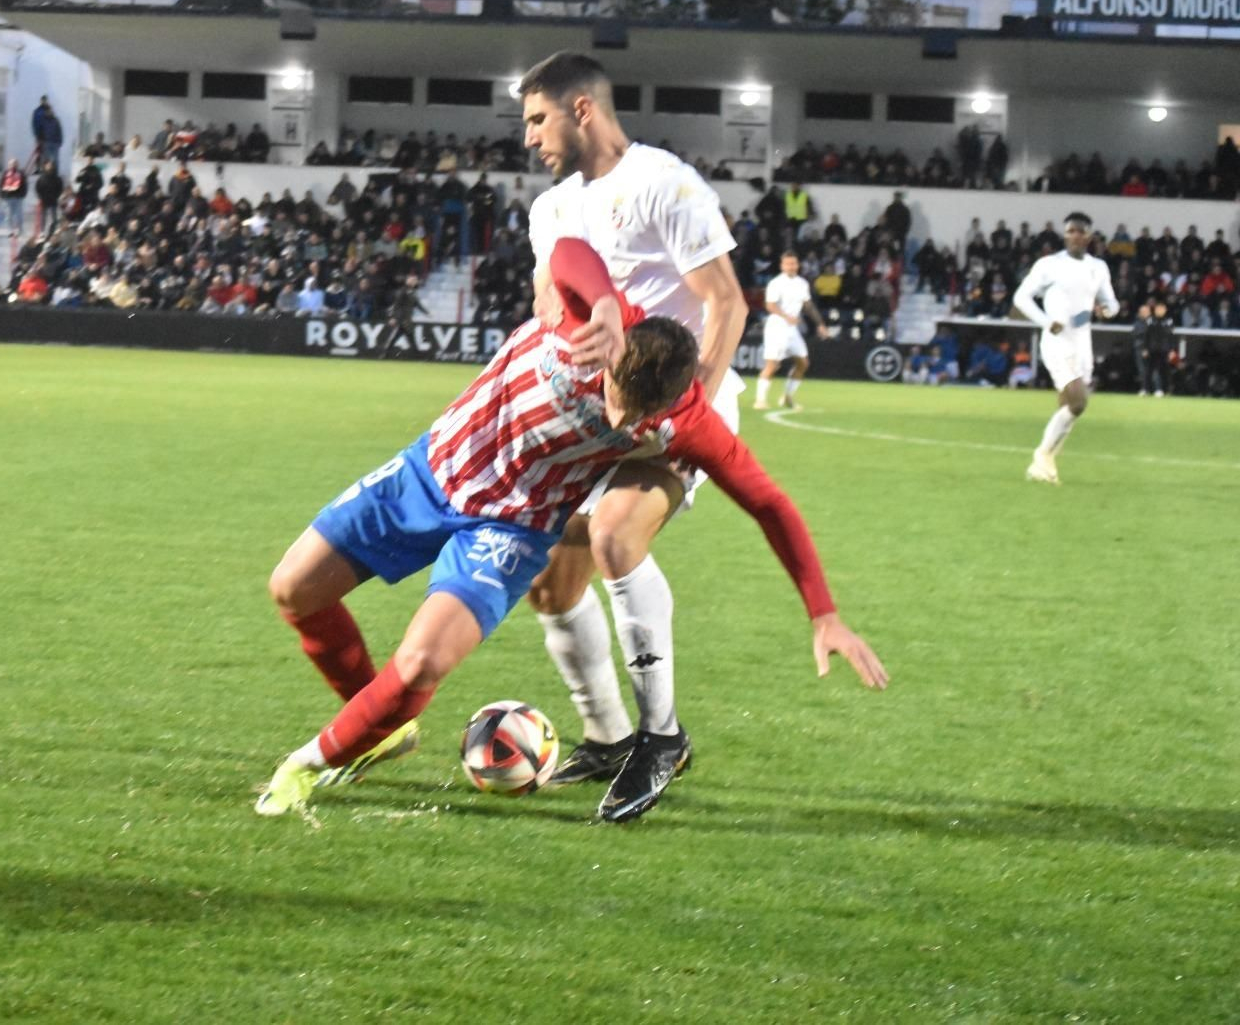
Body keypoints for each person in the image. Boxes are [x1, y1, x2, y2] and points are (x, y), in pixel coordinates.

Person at [255, 237, 887, 818]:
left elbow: (769, 503)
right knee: (294, 589)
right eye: (617, 399)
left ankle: (303, 766)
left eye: (639, 418)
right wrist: (606, 302)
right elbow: (566, 251)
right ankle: (379, 731)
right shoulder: (596, 321)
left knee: (421, 664)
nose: (620, 420)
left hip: (512, 526)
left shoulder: (690, 422)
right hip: (431, 470)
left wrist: (823, 613)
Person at [515, 51, 752, 821]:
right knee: (550, 583)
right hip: (598, 420)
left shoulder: (663, 183)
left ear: (581, 109)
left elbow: (726, 303)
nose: (529, 137)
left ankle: (662, 736)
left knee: (615, 535)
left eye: (537, 119)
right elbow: (549, 316)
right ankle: (609, 736)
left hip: (675, 409)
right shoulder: (550, 212)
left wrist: (691, 408)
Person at [1012, 211, 1119, 484]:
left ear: (1089, 236)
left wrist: (1107, 310)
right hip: (1057, 342)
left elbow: (1112, 303)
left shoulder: (1098, 267)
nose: (1075, 236)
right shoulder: (1049, 264)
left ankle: (1044, 466)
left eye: (1081, 231)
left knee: (1068, 407)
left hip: (1083, 342)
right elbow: (1021, 298)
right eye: (1071, 231)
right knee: (1079, 402)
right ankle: (1042, 455)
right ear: (1064, 234)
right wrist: (1047, 322)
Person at [755, 250, 831, 411]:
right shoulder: (776, 283)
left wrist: (820, 324)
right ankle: (760, 400)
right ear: (782, 266)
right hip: (777, 327)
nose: (791, 266)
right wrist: (786, 316)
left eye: (794, 263)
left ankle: (787, 397)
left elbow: (808, 306)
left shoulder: (802, 283)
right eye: (788, 264)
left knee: (803, 363)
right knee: (772, 365)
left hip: (792, 329)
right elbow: (770, 305)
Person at [0, 159, 28, 231]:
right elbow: (1, 184)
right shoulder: (5, 173)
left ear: (17, 164)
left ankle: (19, 229)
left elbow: (24, 184)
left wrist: (23, 194)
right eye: (11, 164)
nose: (13, 165)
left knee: (19, 215)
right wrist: (2, 194)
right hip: (8, 197)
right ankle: (10, 230)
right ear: (8, 165)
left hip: (18, 197)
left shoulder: (21, 173)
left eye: (14, 163)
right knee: (8, 216)